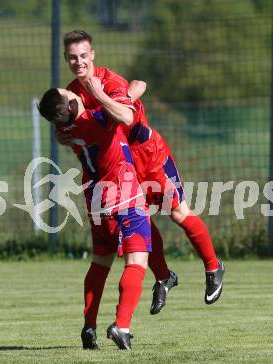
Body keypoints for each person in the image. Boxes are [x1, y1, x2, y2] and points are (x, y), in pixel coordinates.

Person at [61, 30, 225, 310]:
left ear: (93, 55)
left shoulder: (109, 82)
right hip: (119, 167)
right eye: (73, 58)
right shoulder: (71, 94)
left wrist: (101, 94)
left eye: (84, 56)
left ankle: (213, 266)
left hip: (147, 155)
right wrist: (60, 135)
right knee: (141, 226)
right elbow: (60, 120)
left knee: (178, 212)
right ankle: (163, 277)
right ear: (66, 59)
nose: (79, 62)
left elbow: (126, 115)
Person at [38, 87, 152, 351]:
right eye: (67, 93)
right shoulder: (95, 120)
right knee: (137, 260)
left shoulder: (62, 131)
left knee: (101, 261)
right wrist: (101, 91)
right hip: (122, 194)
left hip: (96, 198)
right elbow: (128, 105)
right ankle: (121, 326)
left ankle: (89, 327)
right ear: (71, 107)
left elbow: (64, 121)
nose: (71, 91)